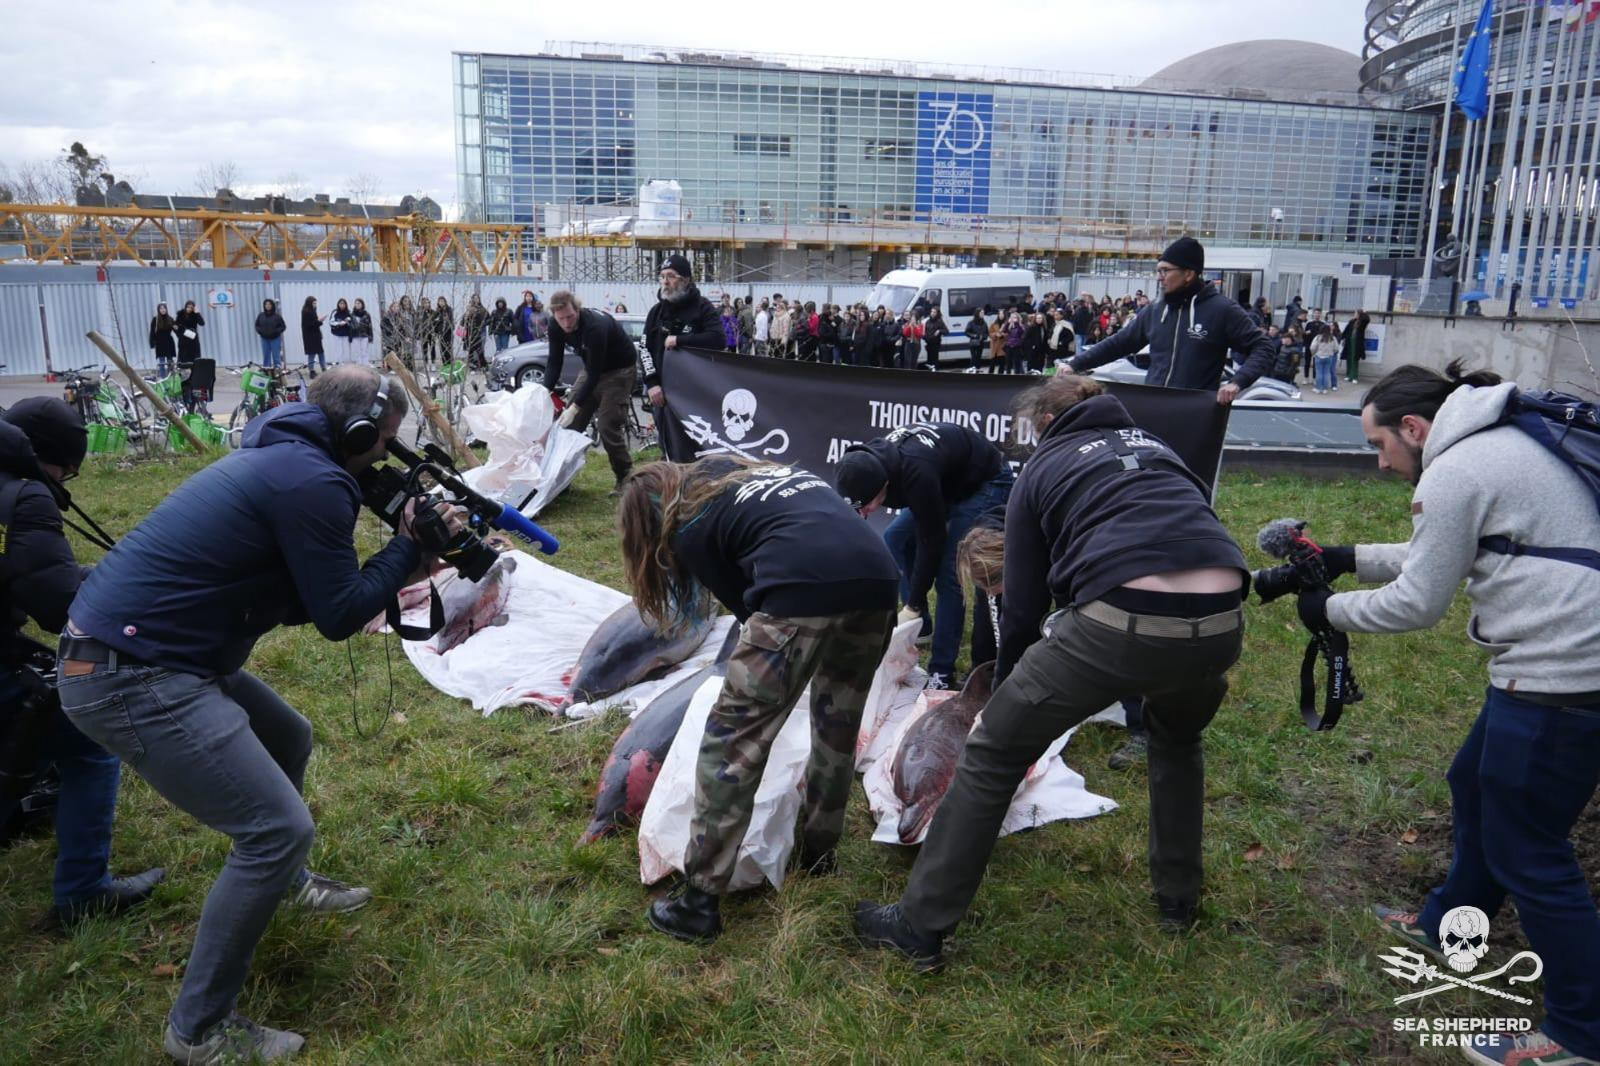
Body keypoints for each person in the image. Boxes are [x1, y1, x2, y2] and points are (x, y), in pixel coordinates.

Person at [56, 365, 456, 1063]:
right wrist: (409, 548)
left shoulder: (284, 457)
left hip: (149, 655)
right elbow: (338, 617)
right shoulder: (315, 482)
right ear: (357, 432)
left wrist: (401, 560)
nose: (388, 458)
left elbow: (303, 600)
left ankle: (288, 885)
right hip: (131, 675)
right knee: (275, 829)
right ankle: (199, 1029)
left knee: (287, 737)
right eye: (386, 442)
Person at [854, 374, 1248, 971]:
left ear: (1044, 422)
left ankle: (920, 924)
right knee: (1178, 741)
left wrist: (1003, 693)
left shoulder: (1044, 465)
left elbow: (1022, 608)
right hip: (1222, 621)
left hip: (1119, 619)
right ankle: (1178, 899)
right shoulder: (1158, 448)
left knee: (993, 752)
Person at [1286, 361, 1600, 1066]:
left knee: (1533, 852)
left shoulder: (1454, 468)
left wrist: (1323, 608)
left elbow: (1419, 602)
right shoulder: (1498, 441)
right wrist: (1344, 558)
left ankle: (1584, 1033)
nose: (1379, 462)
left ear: (1414, 428)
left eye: (1380, 446)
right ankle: (1447, 926)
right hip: (1564, 657)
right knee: (1475, 785)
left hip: (1566, 668)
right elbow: (1442, 553)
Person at [620, 457, 899, 943]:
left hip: (800, 590)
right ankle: (818, 856)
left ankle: (700, 901)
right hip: (878, 582)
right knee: (836, 727)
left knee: (733, 741)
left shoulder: (693, 524)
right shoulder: (746, 473)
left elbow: (753, 616)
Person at [0, 399, 166, 928]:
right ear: (46, 459)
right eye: (68, 468)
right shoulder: (22, 498)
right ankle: (83, 892)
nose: (67, 479)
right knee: (88, 739)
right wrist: (117, 584)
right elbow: (57, 605)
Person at [833, 421, 1013, 691]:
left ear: (882, 486)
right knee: (894, 537)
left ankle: (942, 671)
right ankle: (923, 627)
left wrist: (914, 602)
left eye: (867, 505)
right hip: (947, 481)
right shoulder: (866, 465)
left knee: (949, 572)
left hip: (985, 482)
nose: (865, 514)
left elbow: (932, 541)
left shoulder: (915, 472)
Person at [1068, 238, 1274, 406]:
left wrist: (1237, 382)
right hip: (1153, 407)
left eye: (1165, 270)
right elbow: (1119, 343)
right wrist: (1076, 364)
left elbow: (1263, 346)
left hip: (1196, 414)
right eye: (1158, 271)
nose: (1160, 277)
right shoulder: (1156, 309)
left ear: (1189, 274)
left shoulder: (1222, 309)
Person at [546, 291, 639, 493]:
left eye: (570, 317)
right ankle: (560, 480)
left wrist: (575, 407)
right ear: (554, 315)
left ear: (577, 309)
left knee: (607, 425)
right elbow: (554, 361)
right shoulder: (555, 325)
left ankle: (626, 476)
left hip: (619, 369)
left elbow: (595, 374)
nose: (567, 323)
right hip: (591, 368)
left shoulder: (595, 327)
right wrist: (545, 391)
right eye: (561, 318)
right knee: (567, 426)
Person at [641, 254, 722, 442]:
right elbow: (644, 349)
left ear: (686, 279)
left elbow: (718, 339)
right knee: (667, 443)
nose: (665, 282)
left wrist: (681, 340)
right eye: (662, 276)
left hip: (694, 392)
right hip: (662, 392)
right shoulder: (656, 312)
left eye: (671, 276)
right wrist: (652, 383)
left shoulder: (703, 307)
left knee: (693, 444)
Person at [175, 300, 206, 405]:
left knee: (195, 366)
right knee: (183, 367)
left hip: (193, 342)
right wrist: (182, 333)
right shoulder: (180, 314)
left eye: (191, 307)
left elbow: (202, 323)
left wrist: (198, 313)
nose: (189, 309)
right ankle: (185, 394)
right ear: (185, 307)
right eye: (188, 307)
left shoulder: (195, 315)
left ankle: (196, 396)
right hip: (184, 342)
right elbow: (176, 327)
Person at [254, 298, 286, 369]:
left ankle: (277, 370)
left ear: (272, 306)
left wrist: (276, 332)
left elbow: (283, 326)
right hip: (264, 339)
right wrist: (260, 332)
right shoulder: (261, 315)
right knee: (266, 355)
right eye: (266, 304)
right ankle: (266, 370)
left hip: (275, 339)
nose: (267, 306)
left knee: (276, 356)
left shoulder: (277, 316)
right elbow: (257, 325)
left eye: (269, 304)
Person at [1309, 323, 1340, 394]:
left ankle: (1318, 388)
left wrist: (1313, 353)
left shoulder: (1318, 337)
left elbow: (1312, 347)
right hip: (1329, 357)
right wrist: (1331, 353)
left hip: (1319, 356)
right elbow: (1336, 348)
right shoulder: (1333, 338)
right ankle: (1325, 389)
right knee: (1326, 373)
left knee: (1319, 373)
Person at [149, 303, 177, 378]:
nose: (163, 310)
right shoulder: (155, 319)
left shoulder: (170, 319)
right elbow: (152, 332)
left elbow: (176, 329)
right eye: (161, 308)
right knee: (161, 363)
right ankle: (163, 379)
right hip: (160, 343)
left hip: (169, 342)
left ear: (166, 309)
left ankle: (171, 378)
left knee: (170, 362)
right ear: (158, 310)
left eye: (164, 308)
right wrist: (152, 343)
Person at [460, 294, 488, 370]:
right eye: (469, 308)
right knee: (471, 352)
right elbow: (462, 324)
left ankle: (484, 366)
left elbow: (482, 321)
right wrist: (466, 316)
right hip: (468, 336)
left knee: (480, 351)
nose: (471, 309)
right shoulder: (466, 315)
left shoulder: (479, 312)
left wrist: (476, 314)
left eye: (472, 308)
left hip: (477, 335)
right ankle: (472, 367)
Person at [300, 297, 326, 378]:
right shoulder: (306, 312)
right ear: (309, 303)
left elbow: (313, 322)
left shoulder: (311, 311)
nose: (315, 305)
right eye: (314, 303)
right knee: (312, 353)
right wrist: (320, 321)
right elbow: (311, 324)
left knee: (320, 352)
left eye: (315, 303)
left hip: (315, 335)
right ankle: (312, 370)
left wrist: (318, 321)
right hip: (310, 336)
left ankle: (323, 368)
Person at [1343, 309, 1369, 384]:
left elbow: (1367, 319)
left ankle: (1354, 377)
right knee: (1349, 358)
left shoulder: (1362, 322)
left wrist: (1364, 312)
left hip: (1357, 343)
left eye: (1356, 313)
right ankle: (1348, 375)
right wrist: (1343, 338)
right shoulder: (1351, 321)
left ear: (1359, 314)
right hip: (1349, 342)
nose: (1354, 314)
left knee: (1355, 359)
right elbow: (1346, 330)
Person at [347, 299, 374, 367]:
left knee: (364, 351)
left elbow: (370, 326)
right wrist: (350, 337)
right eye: (356, 303)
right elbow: (349, 327)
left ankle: (365, 365)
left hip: (364, 335)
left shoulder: (367, 314)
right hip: (355, 336)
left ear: (362, 304)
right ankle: (359, 366)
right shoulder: (351, 315)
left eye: (359, 303)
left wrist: (371, 337)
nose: (357, 305)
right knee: (357, 352)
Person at [328, 299, 352, 364]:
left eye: (343, 304)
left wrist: (347, 321)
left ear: (346, 304)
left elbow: (351, 322)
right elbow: (330, 322)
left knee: (347, 350)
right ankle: (339, 364)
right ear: (338, 304)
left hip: (346, 334)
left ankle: (347, 365)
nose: (342, 305)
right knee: (338, 350)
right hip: (337, 334)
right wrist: (339, 323)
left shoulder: (349, 312)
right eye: (340, 303)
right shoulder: (334, 312)